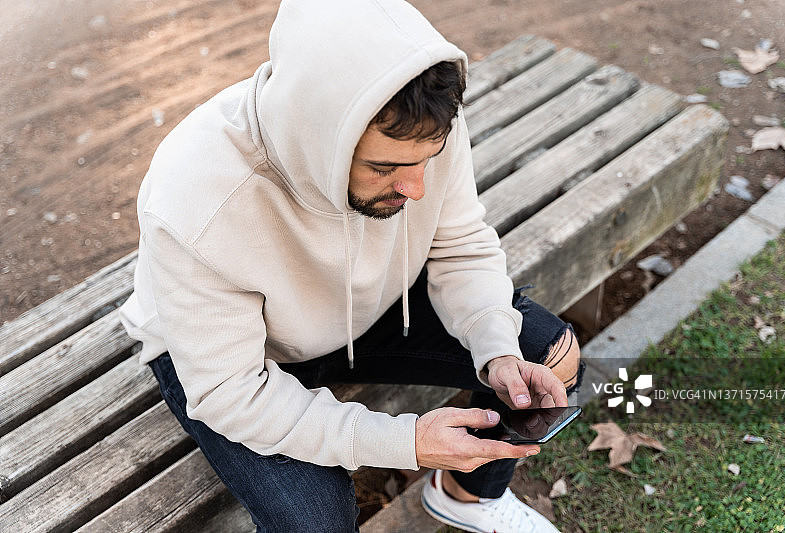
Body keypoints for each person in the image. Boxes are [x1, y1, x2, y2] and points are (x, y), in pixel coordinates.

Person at [119, 0, 584, 531]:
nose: (416, 188)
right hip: (237, 359)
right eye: (384, 168)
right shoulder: (197, 199)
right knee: (317, 524)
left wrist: (496, 348)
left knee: (551, 358)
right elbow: (230, 393)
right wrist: (405, 441)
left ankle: (466, 497)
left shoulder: (419, 124)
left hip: (370, 308)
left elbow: (459, 244)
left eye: (426, 160)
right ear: (318, 137)